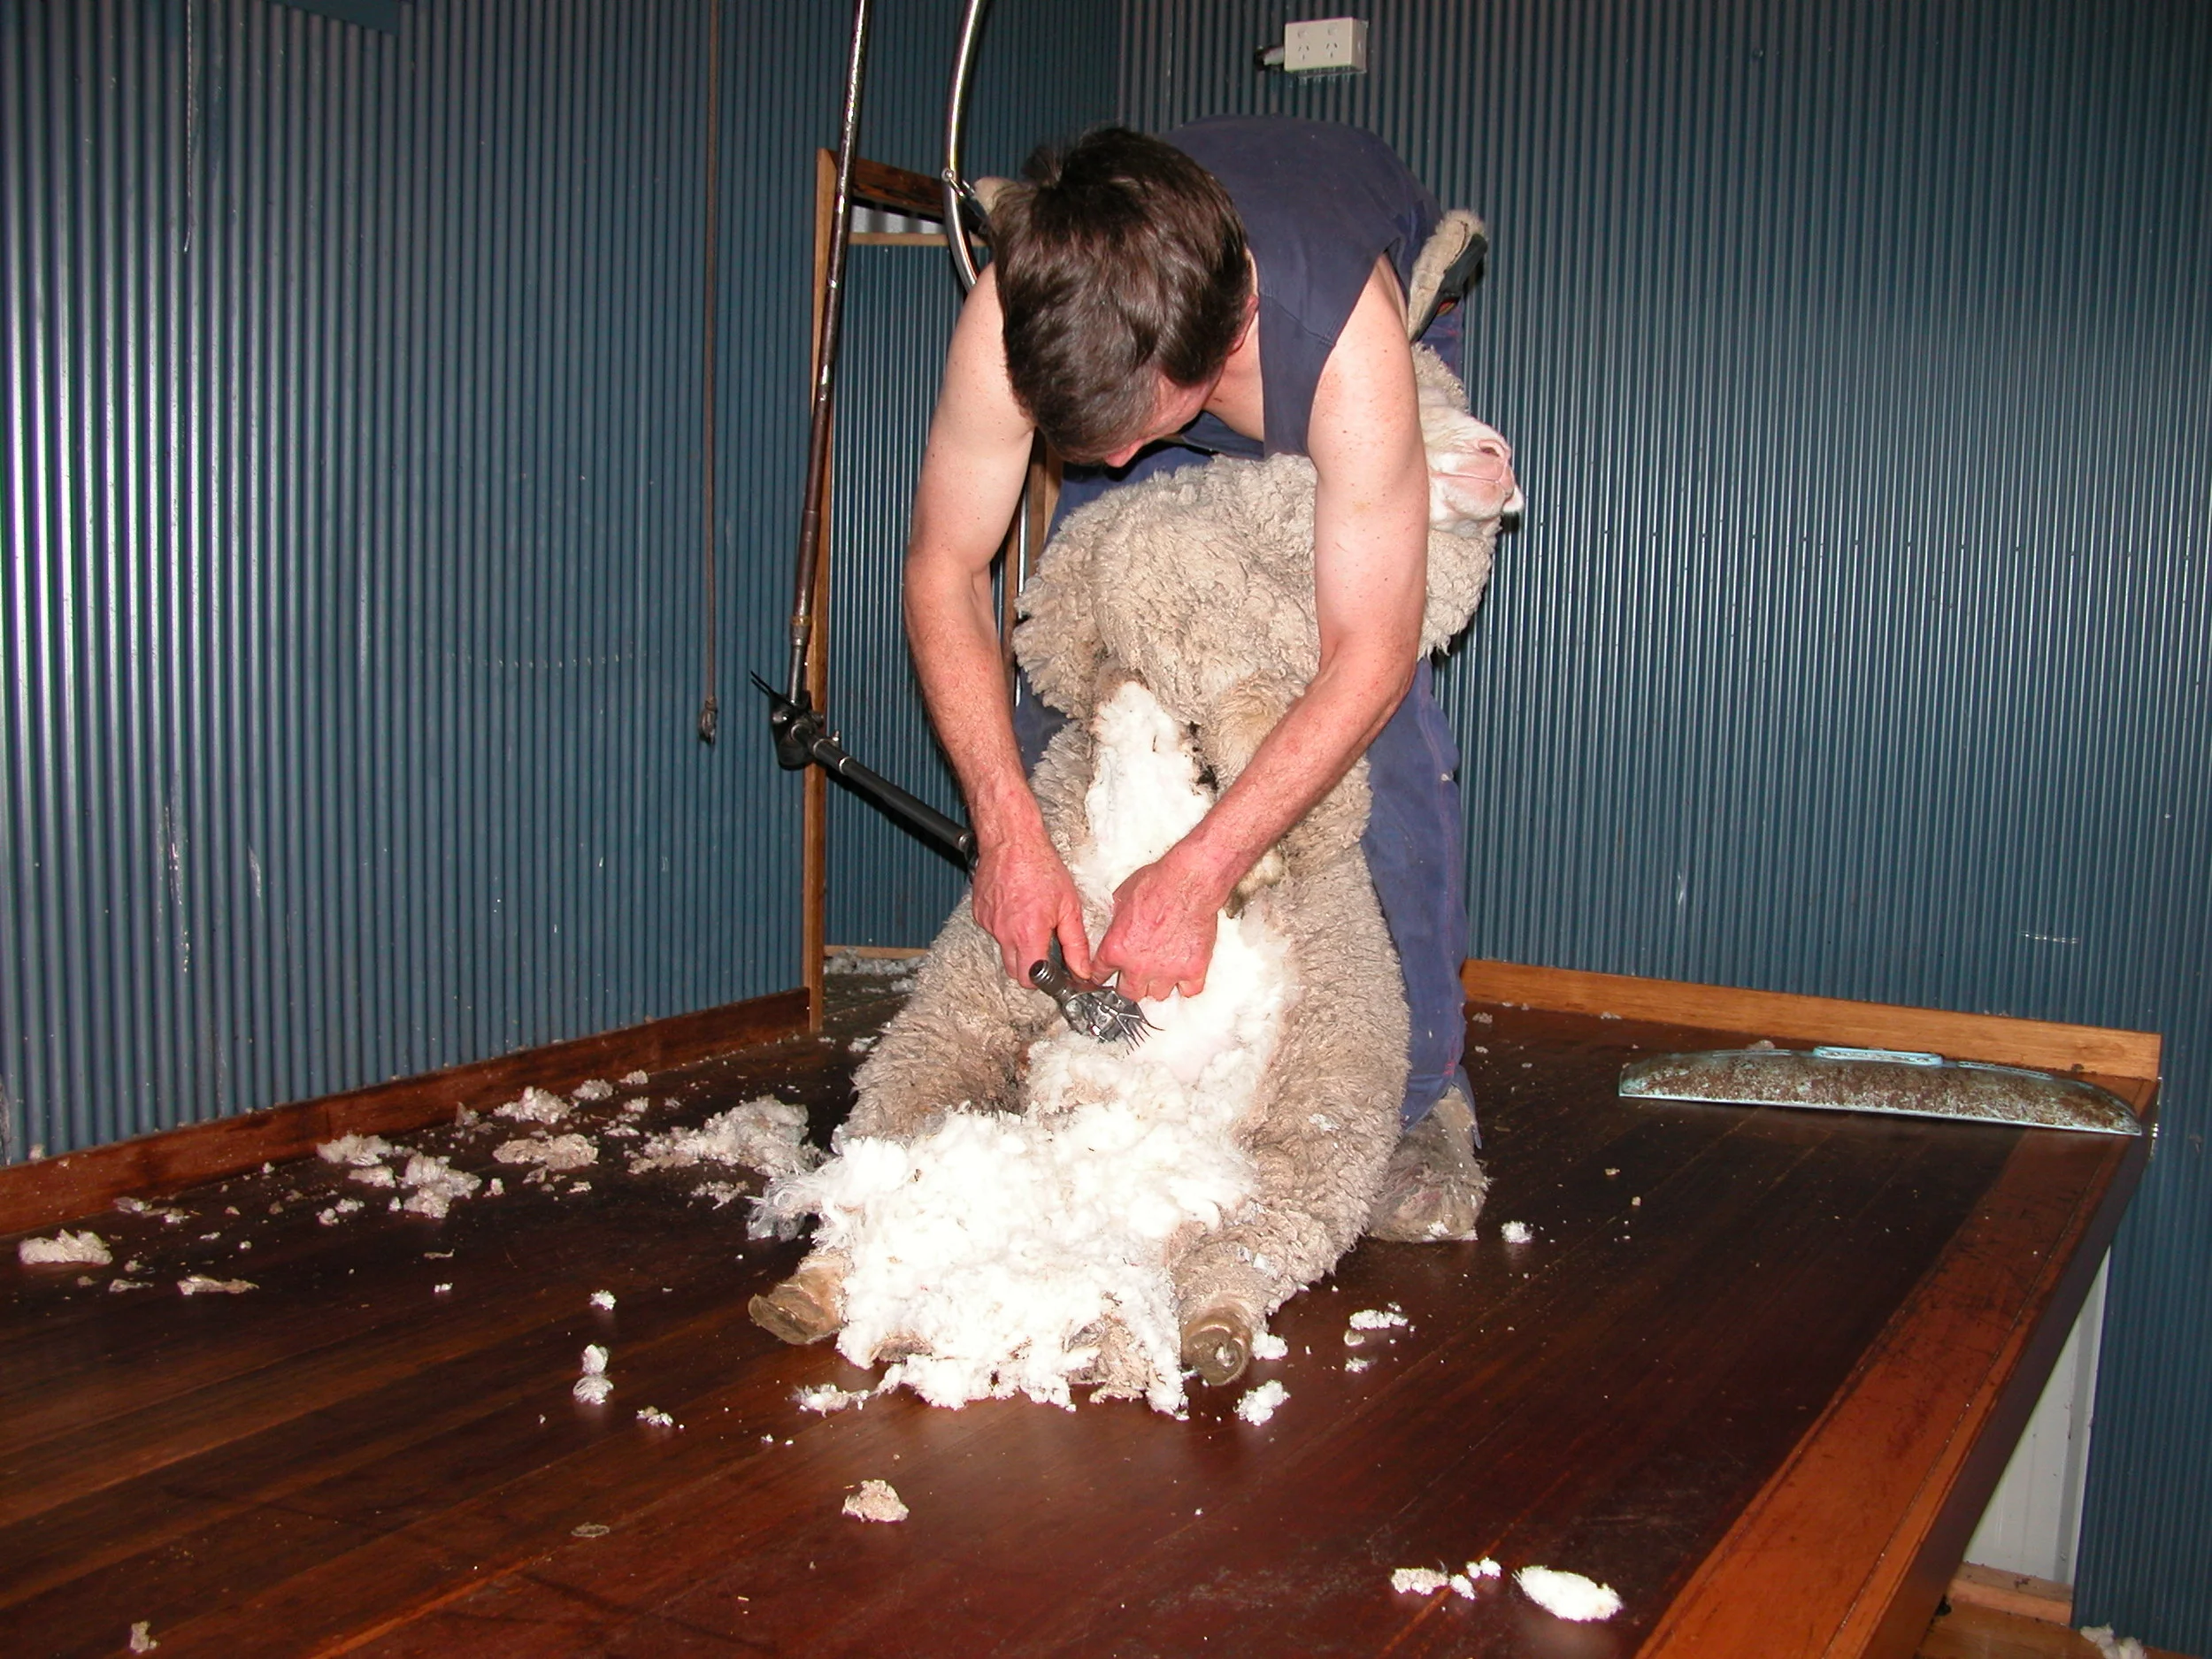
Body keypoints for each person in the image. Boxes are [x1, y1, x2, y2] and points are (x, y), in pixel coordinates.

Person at [903, 119, 1513, 1239]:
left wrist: (1198, 872)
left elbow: (1365, 658)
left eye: (1140, 435)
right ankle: (1087, 1054)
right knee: (1090, 691)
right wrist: (1008, 833)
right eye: (1096, 441)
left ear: (1226, 336)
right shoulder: (1022, 304)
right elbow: (945, 568)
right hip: (1153, 347)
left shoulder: (1340, 347)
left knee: (1381, 747)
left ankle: (1422, 1099)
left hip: (1333, 342)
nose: (1125, 465)